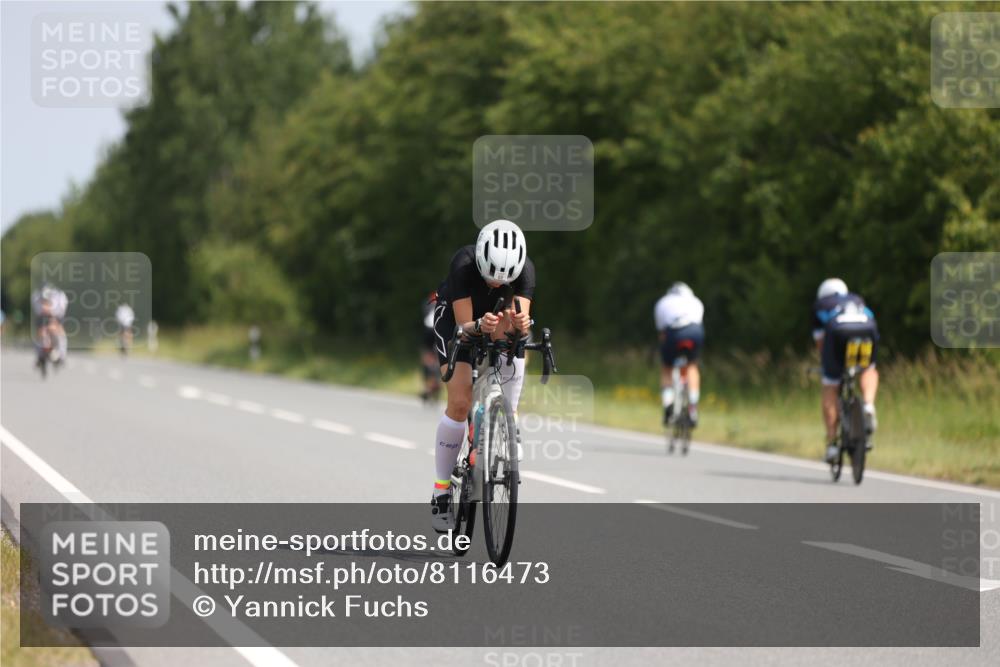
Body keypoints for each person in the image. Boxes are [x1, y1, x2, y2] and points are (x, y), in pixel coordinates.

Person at [429, 219, 534, 532]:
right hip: (456, 321)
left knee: (518, 340)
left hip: (495, 317)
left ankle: (509, 417)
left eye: (504, 281)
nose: (496, 285)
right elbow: (464, 327)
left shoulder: (526, 270)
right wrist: (478, 327)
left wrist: (521, 325)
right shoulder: (463, 264)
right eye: (490, 278)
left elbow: (520, 318)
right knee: (460, 403)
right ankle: (441, 490)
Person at [812, 278, 879, 464]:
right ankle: (868, 404)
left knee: (830, 385)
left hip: (838, 330)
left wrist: (829, 367)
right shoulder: (857, 299)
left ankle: (832, 443)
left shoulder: (820, 305)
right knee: (868, 369)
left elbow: (821, 343)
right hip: (866, 328)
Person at [654, 282, 705, 426]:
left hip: (673, 332)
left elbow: (661, 332)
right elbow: (698, 323)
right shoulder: (696, 302)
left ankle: (668, 404)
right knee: (692, 366)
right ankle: (693, 407)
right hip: (695, 332)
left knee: (667, 368)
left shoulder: (663, 302)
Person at [419, 294, 441, 404]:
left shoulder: (429, 300)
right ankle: (435, 382)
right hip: (439, 329)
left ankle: (427, 386)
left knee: (427, 355)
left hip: (428, 329)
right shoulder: (450, 296)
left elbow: (425, 315)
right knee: (439, 357)